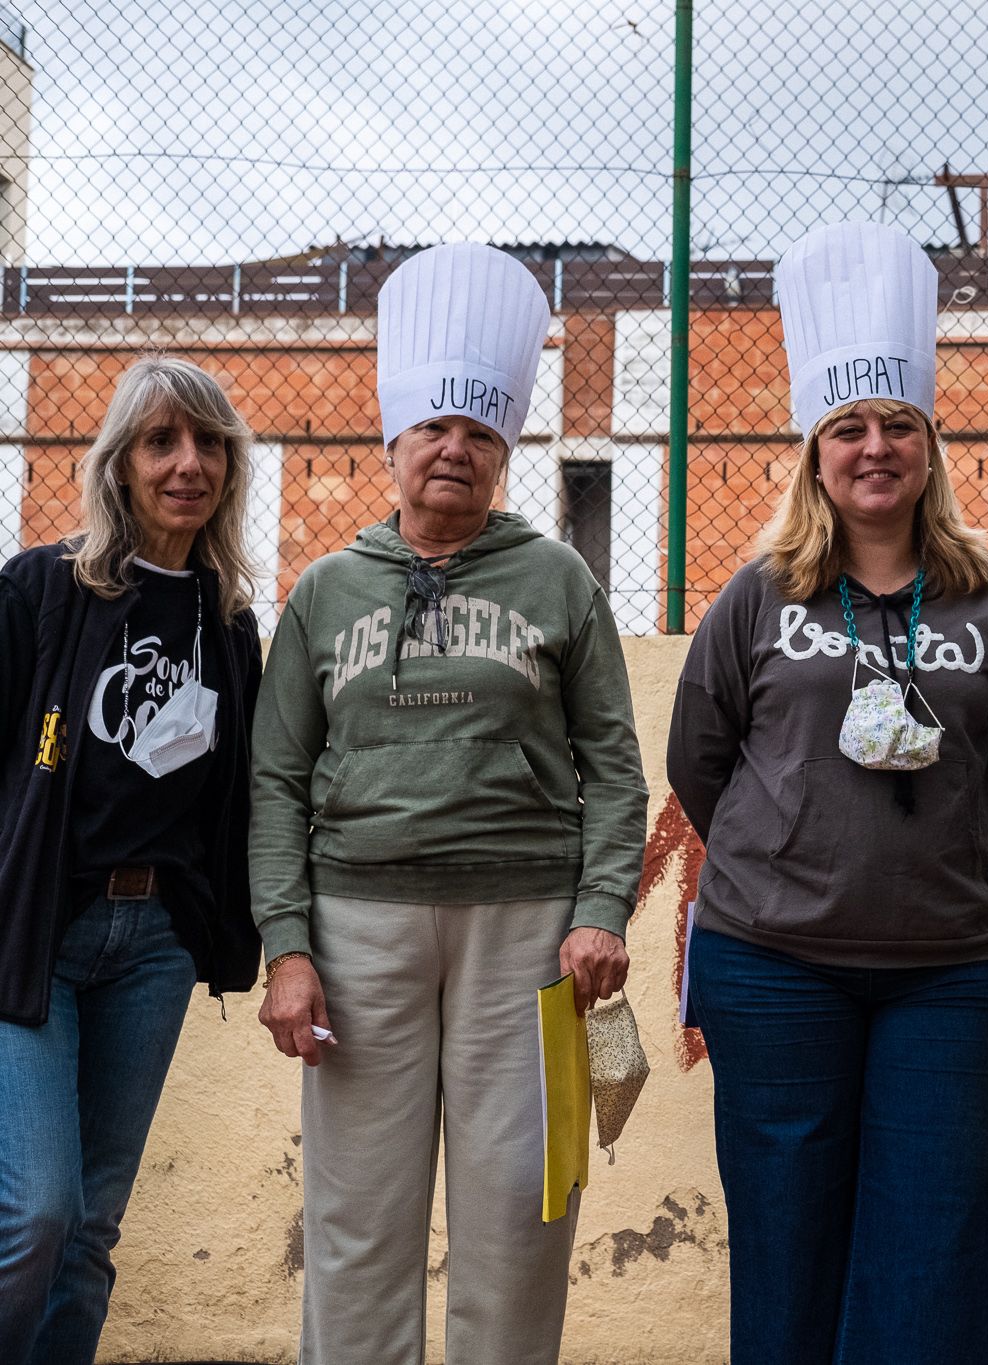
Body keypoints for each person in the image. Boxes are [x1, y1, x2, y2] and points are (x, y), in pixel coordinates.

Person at [248, 242, 646, 1365]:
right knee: (357, 1225)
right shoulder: (326, 591)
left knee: (521, 1218)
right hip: (358, 929)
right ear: (394, 442)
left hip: (525, 936)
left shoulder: (557, 579)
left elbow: (613, 765)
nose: (455, 452)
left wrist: (602, 909)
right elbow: (275, 781)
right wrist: (288, 946)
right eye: (435, 430)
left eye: (479, 434)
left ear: (503, 449)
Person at [667, 221, 988, 1365]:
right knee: (785, 1253)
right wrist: (789, 845)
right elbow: (701, 762)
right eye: (848, 429)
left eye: (896, 426)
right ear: (813, 452)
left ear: (928, 445)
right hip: (771, 968)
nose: (873, 446)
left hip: (945, 974)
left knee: (934, 1257)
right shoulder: (757, 594)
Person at [0, 355, 264, 1364]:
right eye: (162, 441)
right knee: (36, 1216)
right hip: (39, 934)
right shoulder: (41, 591)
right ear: (121, 464)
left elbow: (245, 795)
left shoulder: (230, 628)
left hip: (153, 945)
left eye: (208, 445)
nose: (187, 464)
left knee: (91, 1233)